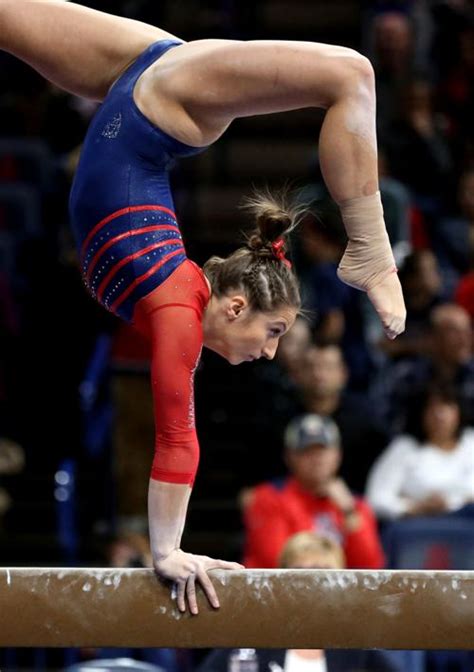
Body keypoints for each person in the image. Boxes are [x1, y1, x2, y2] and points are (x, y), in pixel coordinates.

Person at [1, 0, 406, 613]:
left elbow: (174, 437)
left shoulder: (177, 301)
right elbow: (177, 440)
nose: (271, 351)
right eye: (272, 332)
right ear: (235, 306)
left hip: (137, 81)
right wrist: (167, 552)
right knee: (352, 74)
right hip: (161, 103)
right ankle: (371, 248)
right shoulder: (178, 316)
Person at [198, 531, 414, 672]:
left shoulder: (355, 645)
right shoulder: (254, 637)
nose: (313, 585)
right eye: (303, 573)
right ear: (282, 580)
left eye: (324, 574)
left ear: (342, 582)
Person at [243, 414, 385, 569]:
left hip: (338, 592)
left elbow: (370, 566)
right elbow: (273, 561)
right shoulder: (268, 498)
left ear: (337, 455)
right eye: (307, 451)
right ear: (289, 457)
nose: (316, 459)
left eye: (322, 450)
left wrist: (349, 513)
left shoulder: (355, 505)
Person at [366, 383, 474, 521]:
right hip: (419, 530)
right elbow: (376, 498)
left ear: (459, 411)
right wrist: (413, 508)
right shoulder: (404, 448)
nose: (439, 415)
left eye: (447, 406)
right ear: (420, 413)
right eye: (432, 408)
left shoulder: (471, 442)